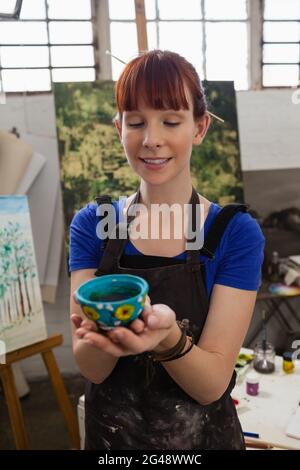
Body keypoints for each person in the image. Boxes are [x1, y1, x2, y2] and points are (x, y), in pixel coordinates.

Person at [69, 49, 265, 450]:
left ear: (199, 127)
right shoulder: (93, 225)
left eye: (171, 121)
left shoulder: (234, 233)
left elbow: (211, 385)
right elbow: (90, 367)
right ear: (118, 128)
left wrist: (167, 339)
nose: (151, 139)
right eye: (136, 122)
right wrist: (105, 337)